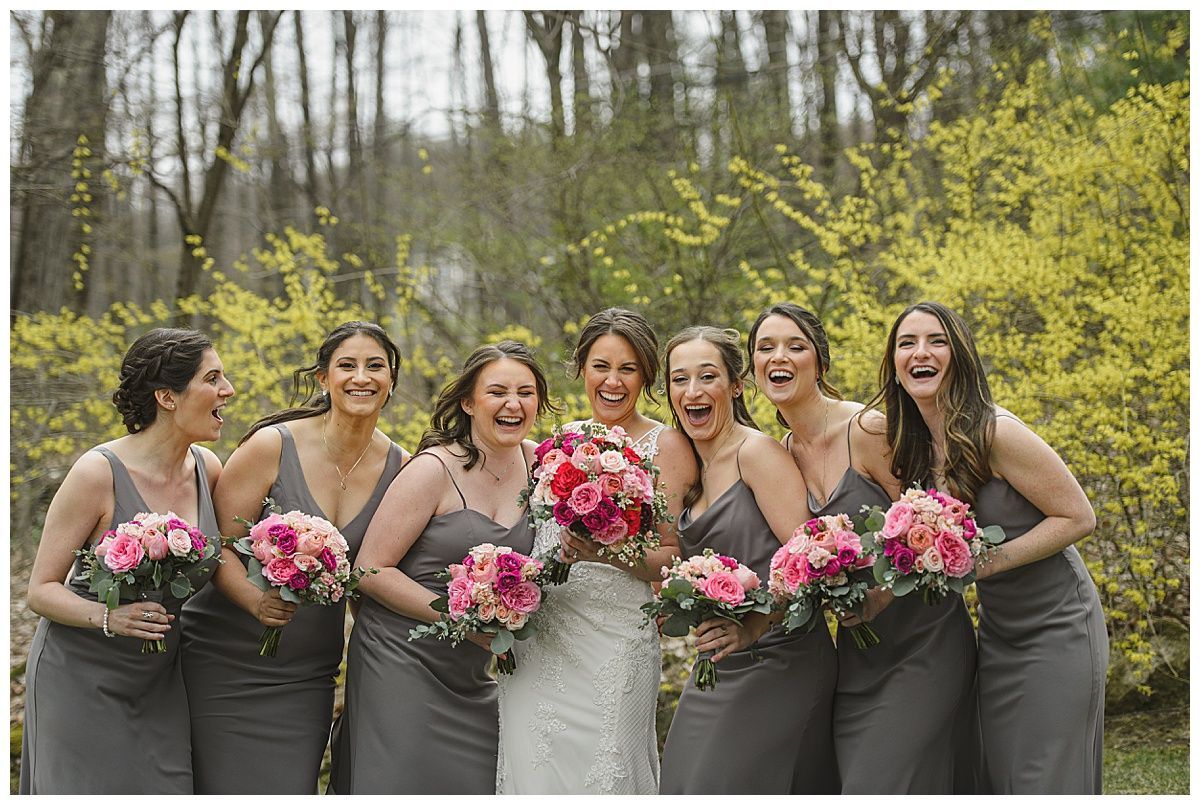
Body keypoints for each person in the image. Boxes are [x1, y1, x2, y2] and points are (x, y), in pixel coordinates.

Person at [872, 301, 1106, 794]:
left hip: (1058, 625)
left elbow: (1078, 517)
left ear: (960, 356)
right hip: (998, 634)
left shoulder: (997, 431)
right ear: (893, 364)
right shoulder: (913, 448)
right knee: (1003, 779)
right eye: (907, 343)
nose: (921, 352)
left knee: (1045, 777)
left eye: (936, 341)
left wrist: (981, 565)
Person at [749, 303, 978, 793]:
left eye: (795, 346)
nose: (778, 357)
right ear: (752, 370)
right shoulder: (780, 454)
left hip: (925, 642)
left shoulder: (869, 430)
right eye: (764, 348)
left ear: (821, 363)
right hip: (857, 655)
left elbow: (935, 521)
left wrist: (882, 595)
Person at [181, 321, 408, 794]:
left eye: (375, 367)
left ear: (391, 381)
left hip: (307, 672)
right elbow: (215, 547)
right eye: (346, 365)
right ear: (323, 378)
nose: (361, 377)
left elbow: (373, 576)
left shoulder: (401, 469)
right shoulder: (271, 447)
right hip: (224, 658)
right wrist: (253, 601)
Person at [329, 340, 555, 794]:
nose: (513, 404)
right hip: (402, 659)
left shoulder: (542, 464)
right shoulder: (432, 469)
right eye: (497, 392)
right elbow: (370, 569)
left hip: (474, 671)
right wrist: (459, 617)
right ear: (469, 403)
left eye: (526, 393)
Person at [21, 328, 233, 794]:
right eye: (212, 378)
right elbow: (40, 590)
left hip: (161, 683)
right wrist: (109, 617)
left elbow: (228, 565)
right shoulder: (97, 473)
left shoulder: (209, 469)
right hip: (80, 678)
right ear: (167, 397)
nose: (228, 390)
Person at [496, 308, 696, 794]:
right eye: (600, 366)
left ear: (646, 375)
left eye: (627, 369)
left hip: (617, 647)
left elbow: (670, 555)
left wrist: (602, 550)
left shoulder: (665, 446)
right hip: (541, 647)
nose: (612, 381)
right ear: (581, 368)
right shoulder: (555, 446)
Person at [657, 326, 837, 795]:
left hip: (780, 655)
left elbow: (810, 559)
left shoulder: (756, 453)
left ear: (736, 386)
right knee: (680, 781)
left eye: (707, 376)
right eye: (679, 380)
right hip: (719, 660)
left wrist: (754, 625)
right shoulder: (689, 467)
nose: (692, 391)